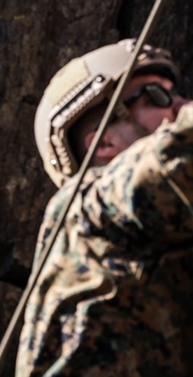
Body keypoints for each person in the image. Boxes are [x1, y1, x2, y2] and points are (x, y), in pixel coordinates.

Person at [17, 38, 193, 375]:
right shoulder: (85, 208)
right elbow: (176, 161)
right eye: (158, 95)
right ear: (105, 140)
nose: (182, 105)